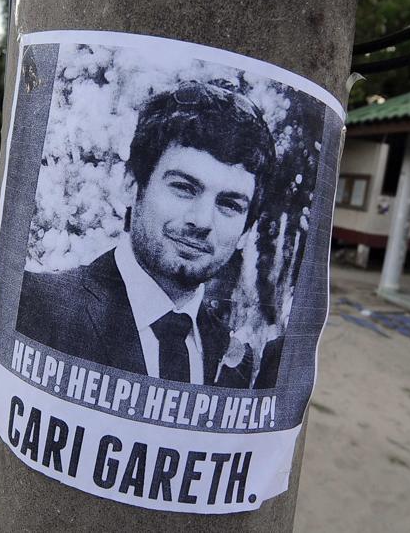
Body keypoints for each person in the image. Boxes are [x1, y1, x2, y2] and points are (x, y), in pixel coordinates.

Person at [16, 81, 280, 389]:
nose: (202, 220)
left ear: (247, 230)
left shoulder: (234, 356)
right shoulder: (37, 305)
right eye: (183, 188)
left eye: (229, 204)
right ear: (131, 185)